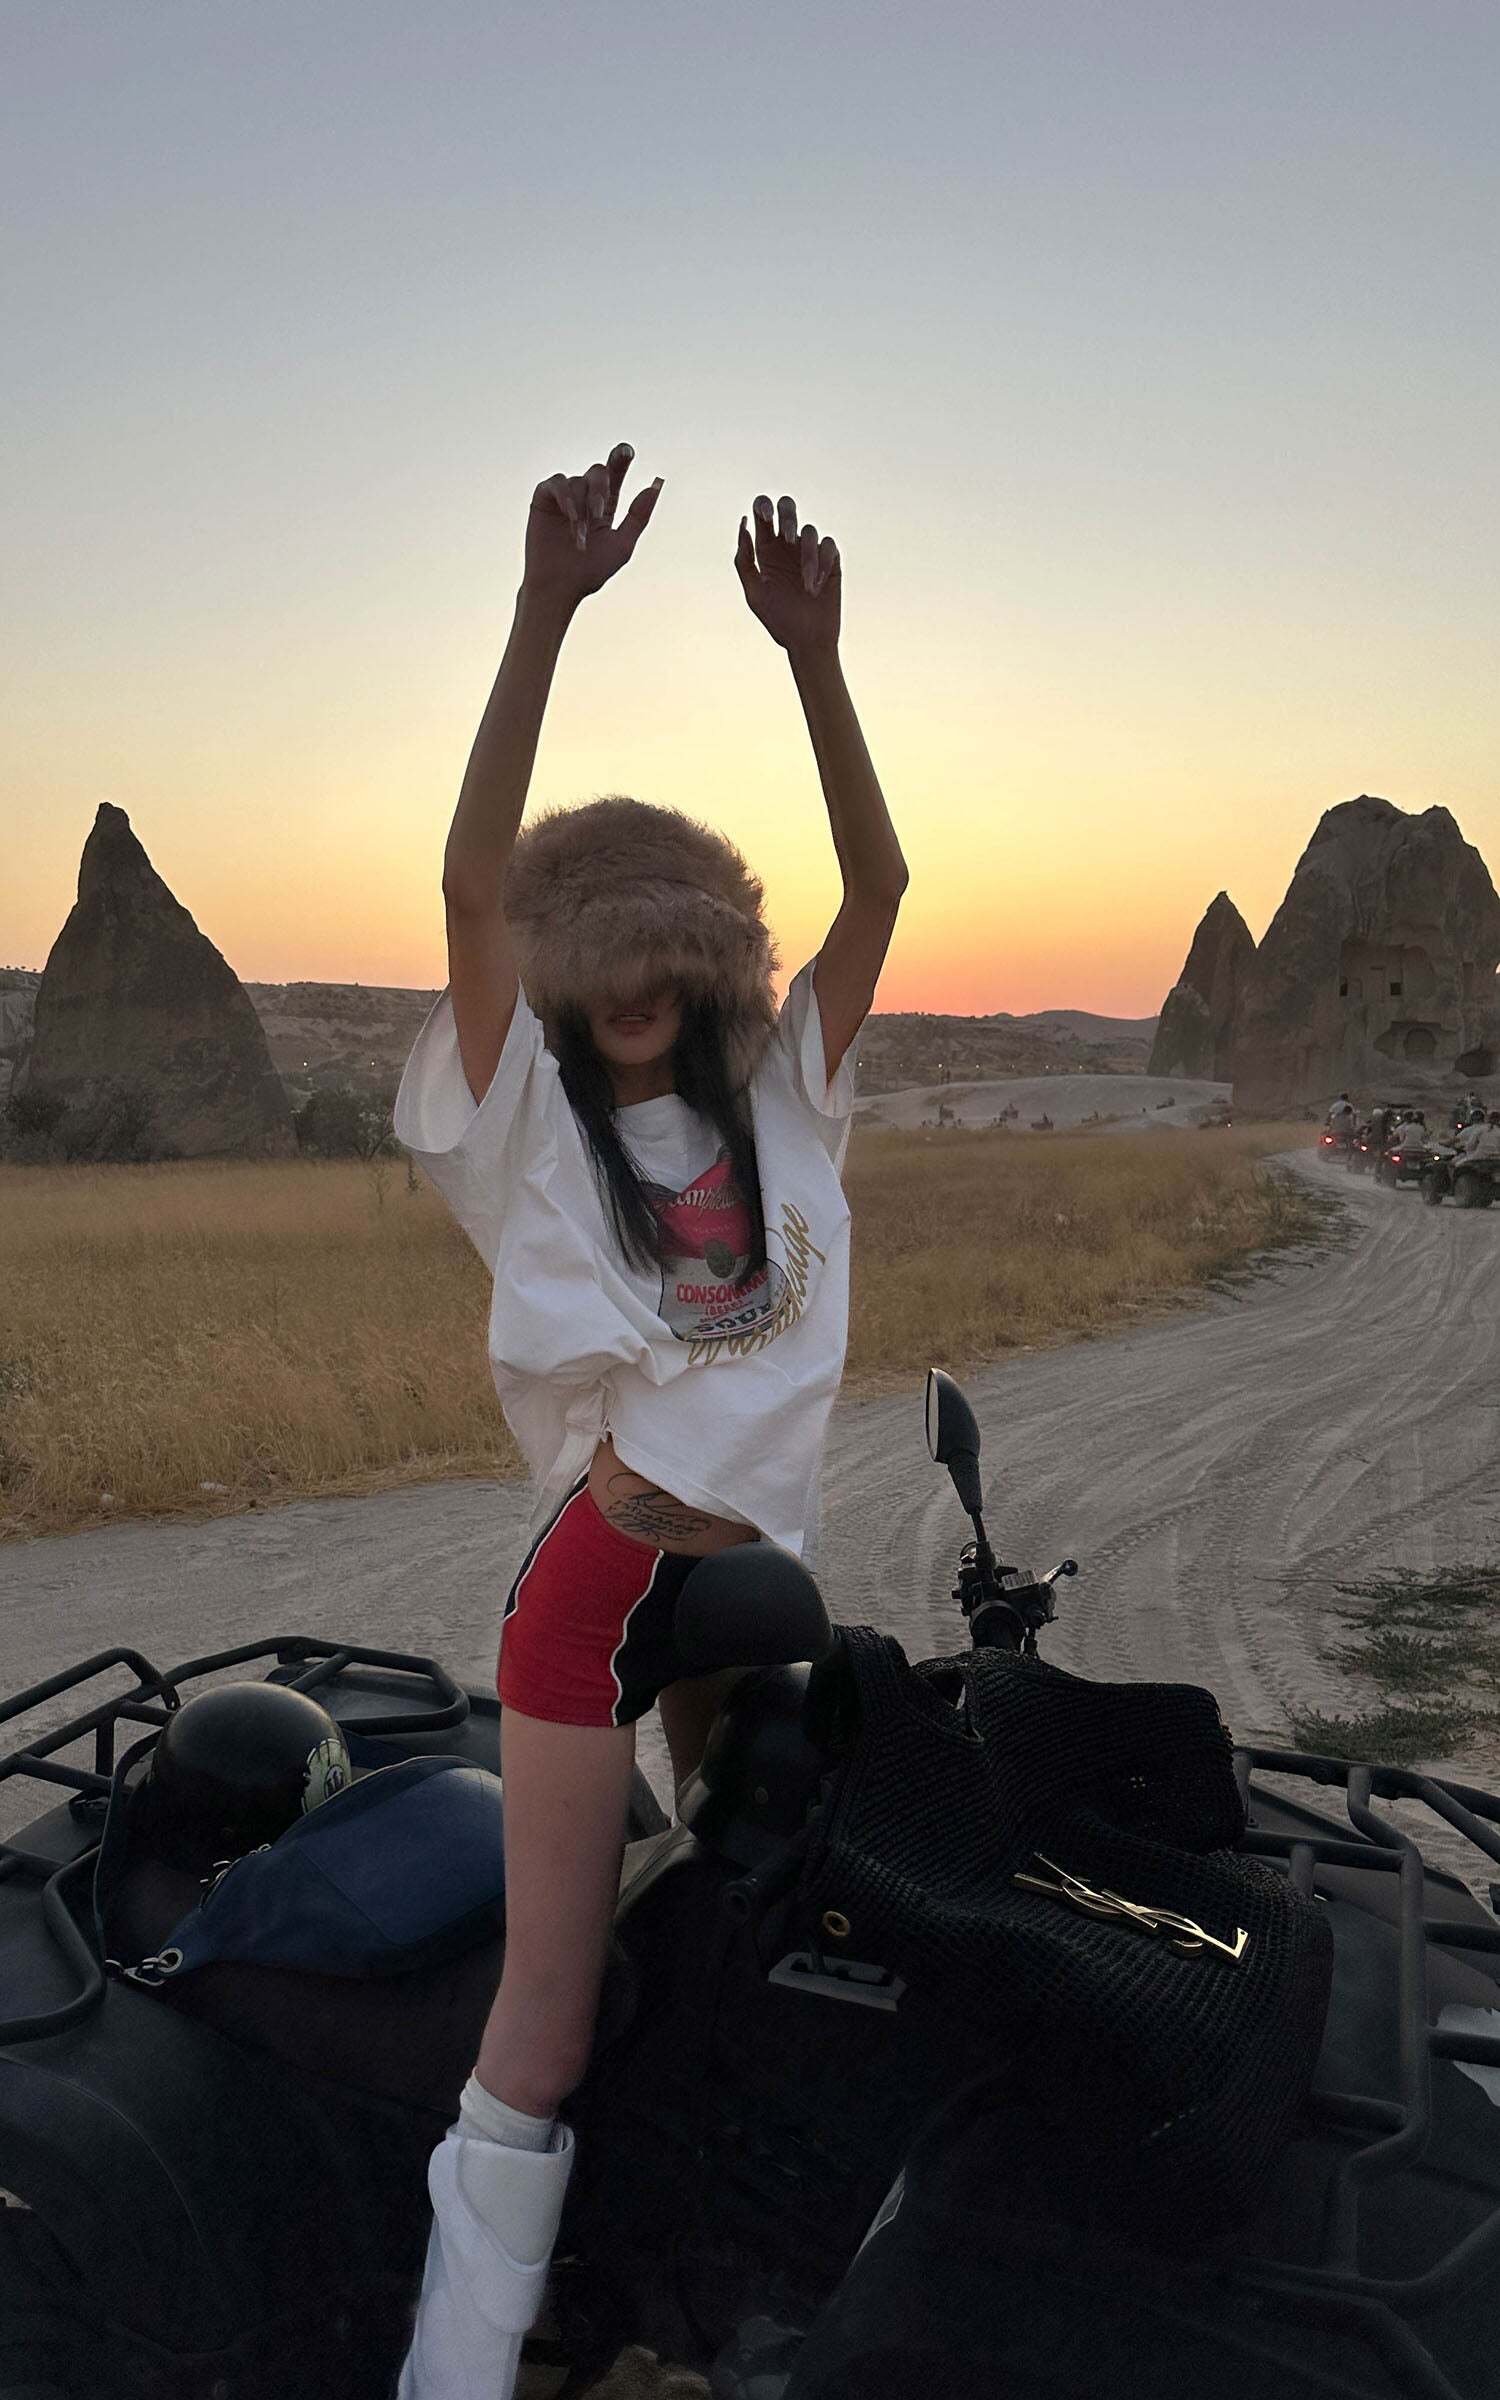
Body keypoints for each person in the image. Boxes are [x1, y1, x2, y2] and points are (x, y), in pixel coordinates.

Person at [390, 444, 907, 2399]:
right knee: (550, 2011)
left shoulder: (783, 1101)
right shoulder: (522, 1121)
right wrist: (545, 612)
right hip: (602, 1588)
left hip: (742, 1580)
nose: (630, 992)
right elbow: (468, 881)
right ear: (559, 973)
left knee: (747, 1909)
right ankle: (454, 2366)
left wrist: (816, 663)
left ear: (705, 965)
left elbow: (880, 886)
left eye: (660, 958)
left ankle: (679, 2286)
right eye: (592, 959)